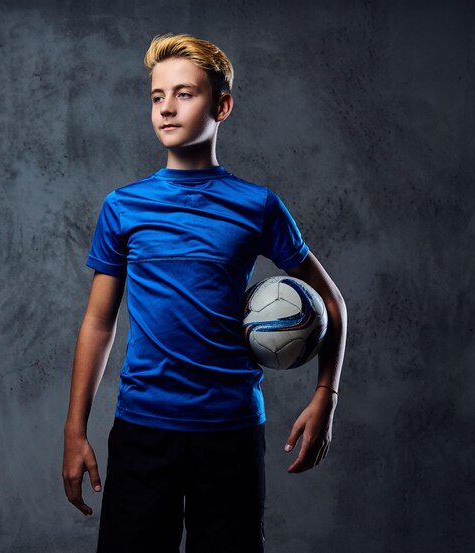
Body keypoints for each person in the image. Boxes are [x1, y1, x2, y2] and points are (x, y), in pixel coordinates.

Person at [62, 33, 347, 553]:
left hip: (230, 433)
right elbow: (98, 323)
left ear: (222, 105)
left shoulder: (256, 206)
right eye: (157, 96)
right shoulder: (123, 208)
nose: (167, 107)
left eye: (185, 94)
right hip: (143, 431)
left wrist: (325, 397)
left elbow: (331, 303)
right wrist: (74, 429)